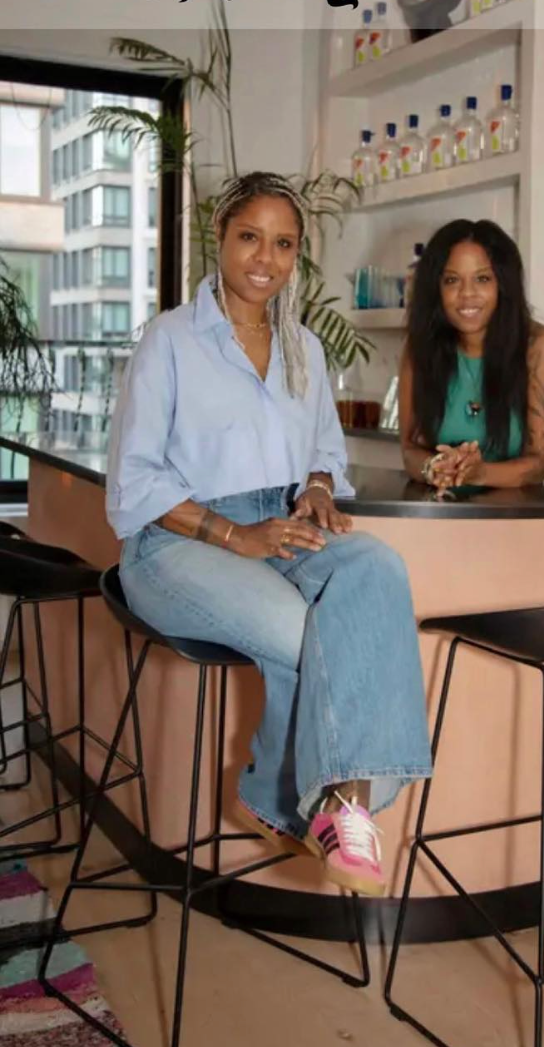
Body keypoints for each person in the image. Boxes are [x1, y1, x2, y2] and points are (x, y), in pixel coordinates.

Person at [106, 171, 431, 897]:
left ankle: (343, 805)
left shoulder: (305, 348)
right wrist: (233, 534)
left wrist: (317, 488)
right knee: (304, 631)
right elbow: (134, 480)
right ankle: (284, 801)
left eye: (284, 244)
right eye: (250, 237)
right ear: (219, 238)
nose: (266, 258)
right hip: (176, 541)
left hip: (280, 522)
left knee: (376, 568)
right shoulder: (169, 340)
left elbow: (324, 452)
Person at [400, 219, 544, 489]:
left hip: (515, 512)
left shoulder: (541, 348)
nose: (467, 294)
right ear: (436, 289)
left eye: (482, 279)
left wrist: (479, 473)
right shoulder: (420, 347)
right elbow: (410, 449)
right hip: (440, 509)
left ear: (503, 284)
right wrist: (434, 468)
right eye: (452, 280)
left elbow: (538, 465)